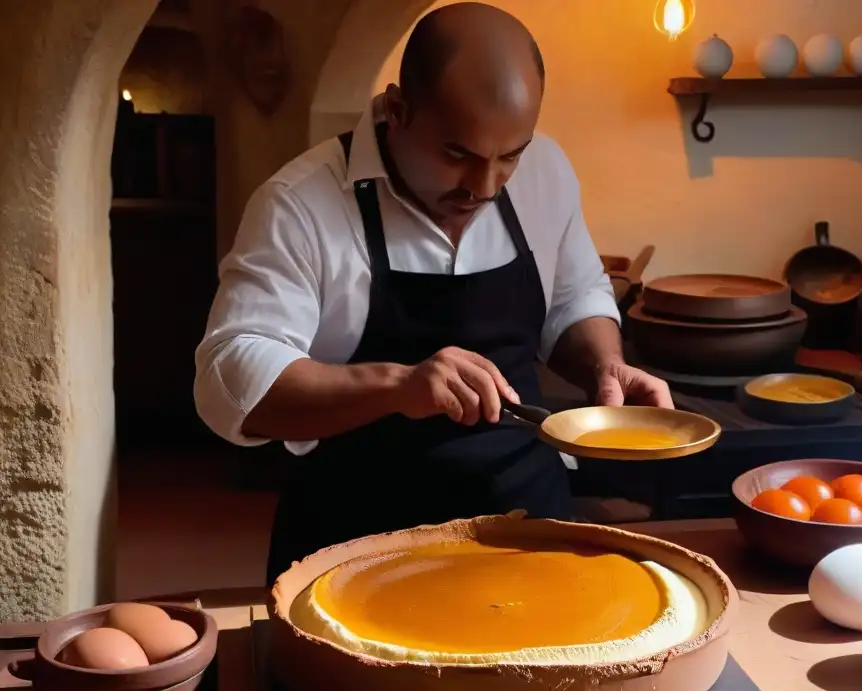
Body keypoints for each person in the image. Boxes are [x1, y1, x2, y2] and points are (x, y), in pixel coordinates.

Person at [193, 1, 673, 586]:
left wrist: (606, 365)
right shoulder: (301, 203)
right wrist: (399, 384)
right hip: (355, 546)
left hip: (524, 527)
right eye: (457, 155)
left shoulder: (546, 171)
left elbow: (576, 296)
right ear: (397, 110)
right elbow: (230, 380)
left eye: (508, 157)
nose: (485, 186)